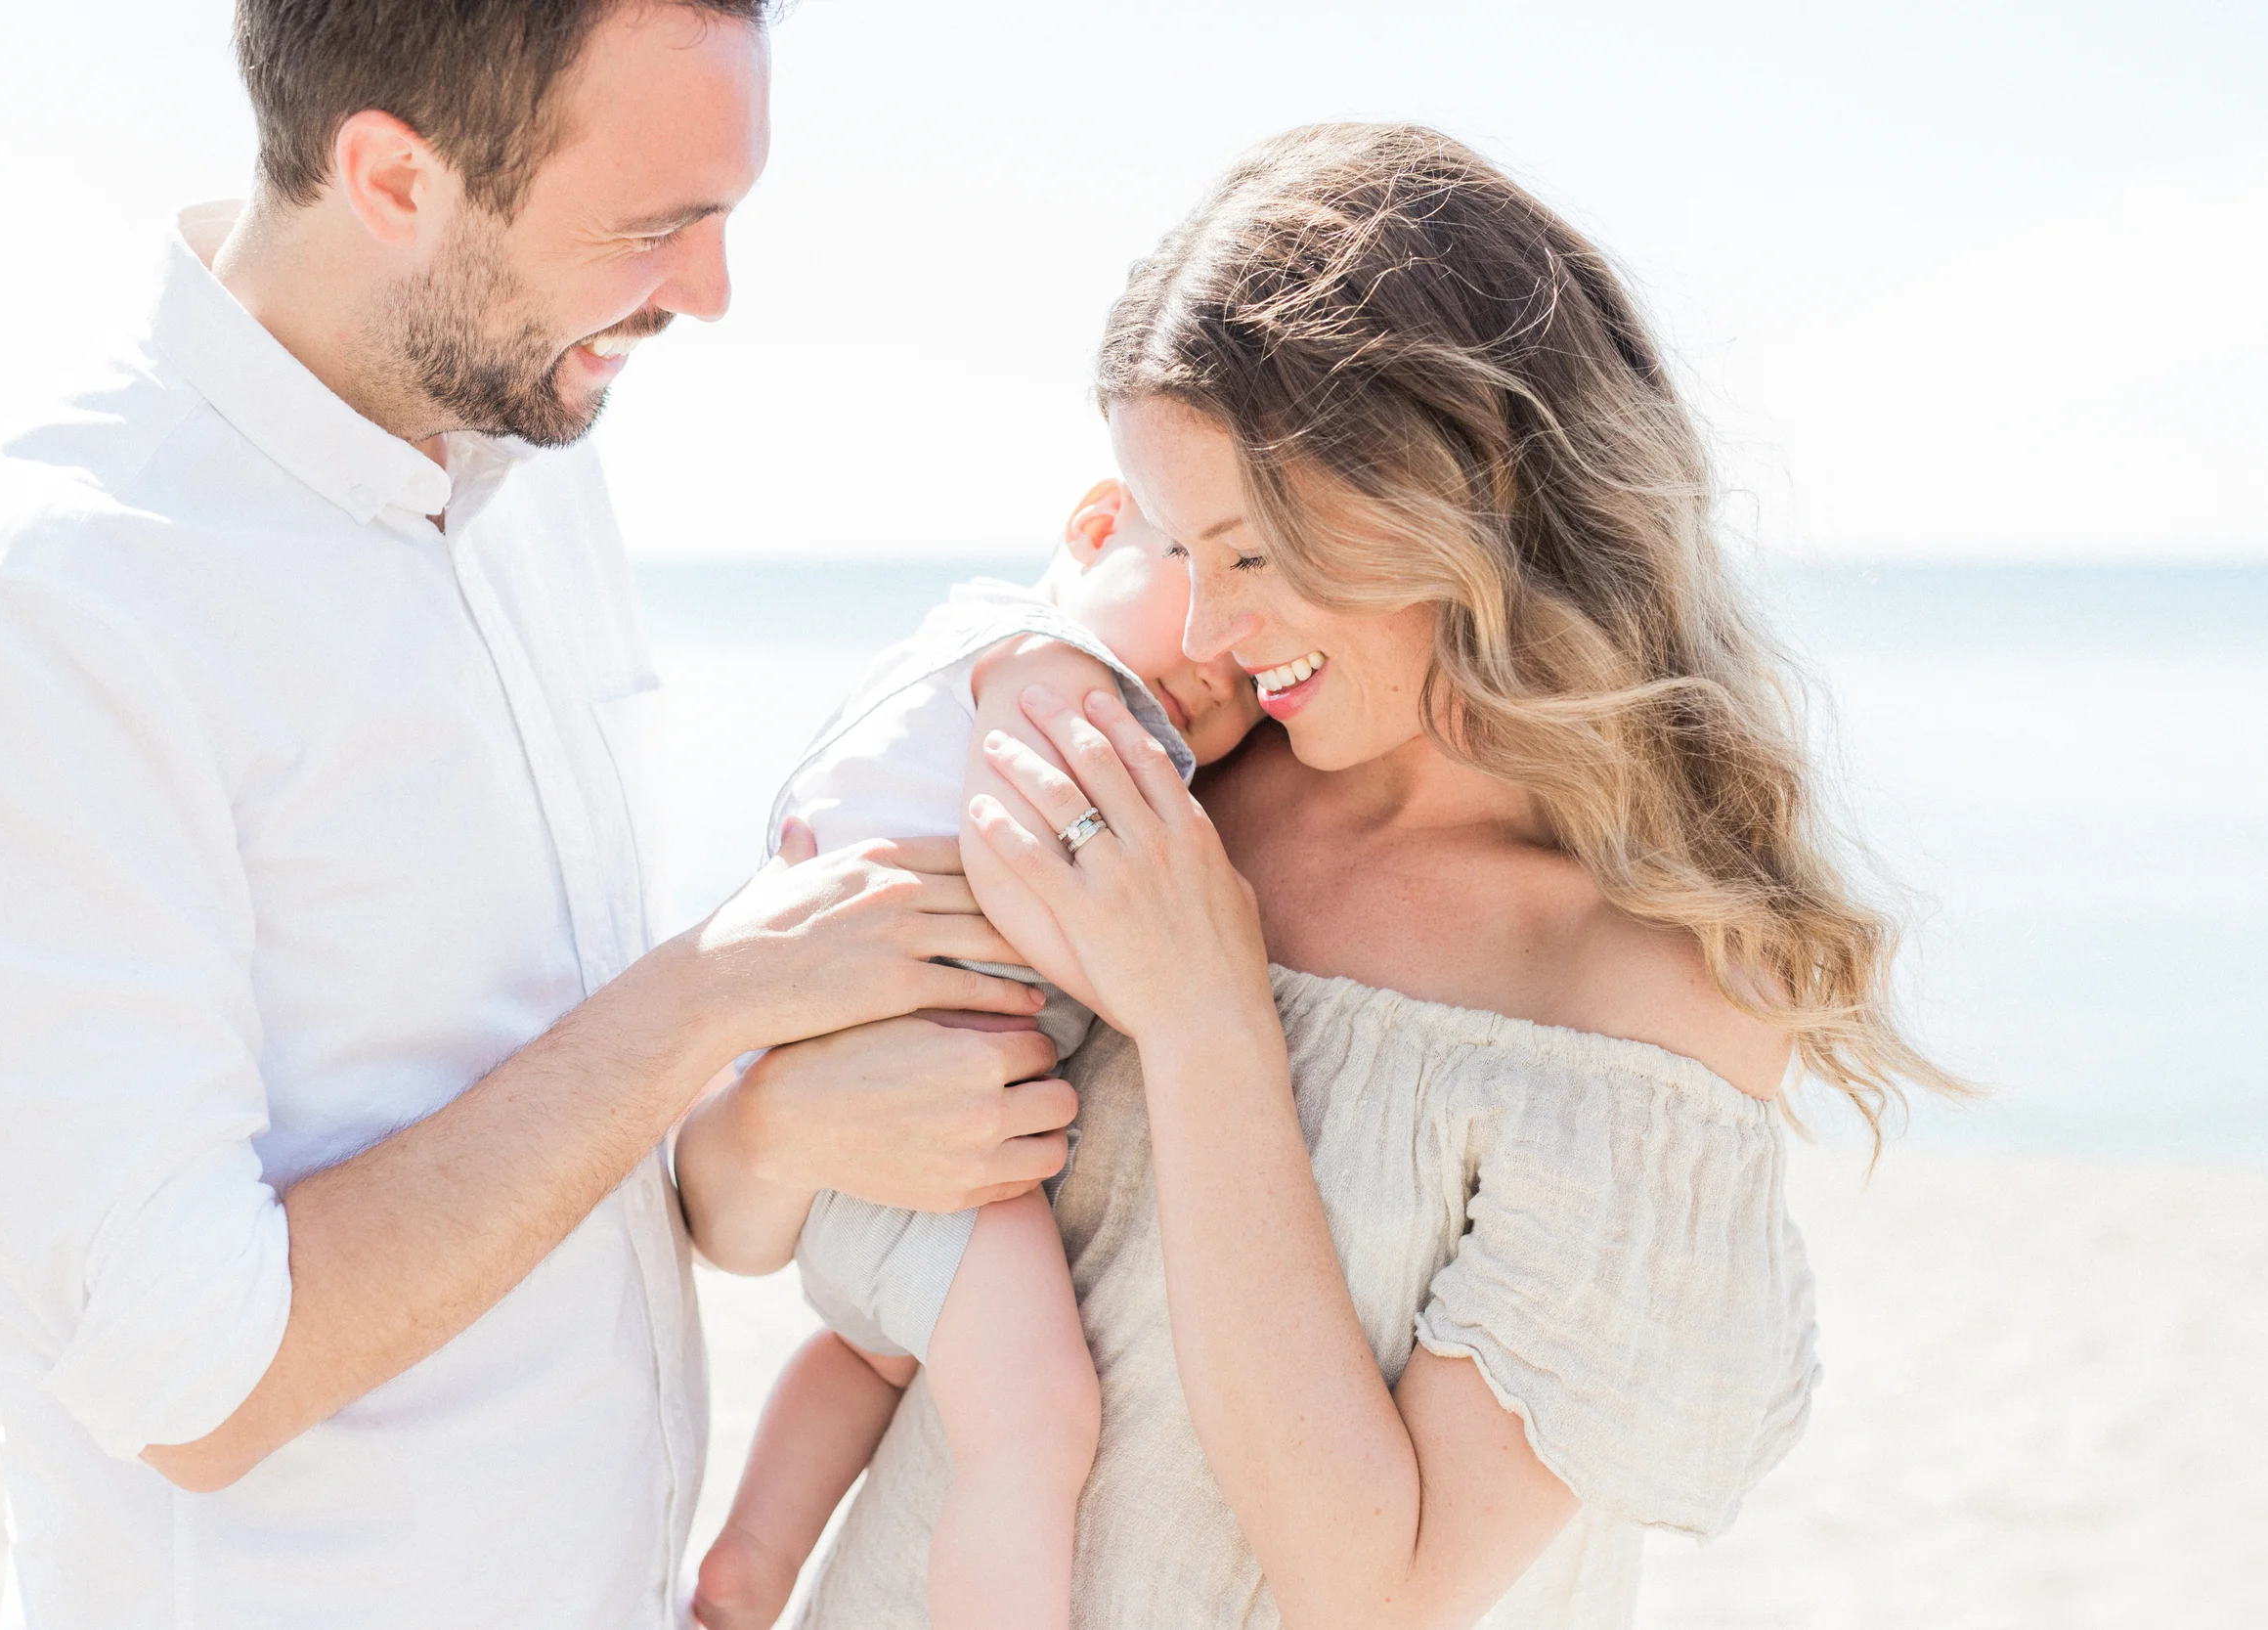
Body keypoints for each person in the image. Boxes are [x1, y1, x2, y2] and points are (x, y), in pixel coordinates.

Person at [0, 4, 1076, 1626]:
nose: (711, 290)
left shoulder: (529, 466)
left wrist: (767, 1112)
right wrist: (707, 997)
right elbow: (191, 1377)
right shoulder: (43, 610)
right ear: (391, 179)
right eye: (652, 226)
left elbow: (548, 1102)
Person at [797, 122, 1970, 1630]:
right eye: (1175, 547)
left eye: (1253, 554)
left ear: (1463, 497)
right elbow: (767, 1191)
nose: (1203, 634)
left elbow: (1378, 1586)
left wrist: (1207, 1016)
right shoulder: (1177, 773)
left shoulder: (1650, 990)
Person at [680, 478, 1261, 1630]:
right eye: (1197, 569)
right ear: (1097, 525)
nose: (1214, 662)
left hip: (863, 1095)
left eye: (1252, 684)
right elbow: (1023, 861)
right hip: (908, 1084)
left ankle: (747, 1564)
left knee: (872, 1351)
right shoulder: (1055, 663)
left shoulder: (965, 643)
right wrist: (1178, 988)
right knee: (1039, 1423)